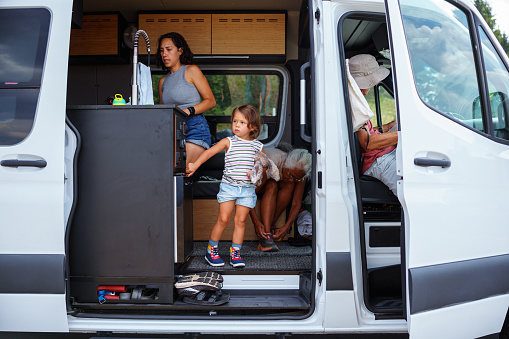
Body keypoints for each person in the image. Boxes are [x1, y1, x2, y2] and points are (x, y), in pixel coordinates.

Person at [187, 105, 263, 268]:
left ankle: (235, 253)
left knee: (241, 220)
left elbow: (261, 167)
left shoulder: (258, 146)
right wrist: (194, 165)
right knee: (223, 219)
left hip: (247, 189)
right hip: (229, 187)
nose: (236, 125)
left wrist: (255, 173)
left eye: (242, 122)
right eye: (235, 121)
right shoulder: (228, 141)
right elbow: (208, 153)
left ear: (253, 127)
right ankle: (211, 250)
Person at [157, 32, 216, 165]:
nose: (164, 54)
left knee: (179, 168)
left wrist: (187, 111)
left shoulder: (191, 70)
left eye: (168, 49)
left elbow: (211, 101)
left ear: (180, 51)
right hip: (173, 129)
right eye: (161, 51)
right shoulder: (162, 81)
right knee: (164, 170)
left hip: (195, 127)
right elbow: (162, 112)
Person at [350, 54, 398, 196]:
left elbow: (364, 132)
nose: (371, 87)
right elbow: (367, 143)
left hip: (382, 153)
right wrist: (403, 134)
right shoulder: (354, 105)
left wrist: (390, 126)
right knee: (415, 188)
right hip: (376, 161)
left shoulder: (356, 99)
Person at [249, 146, 312, 251]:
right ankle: (267, 234)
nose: (293, 180)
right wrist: (255, 222)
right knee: (272, 186)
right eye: (291, 175)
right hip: (254, 183)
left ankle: (266, 231)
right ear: (286, 164)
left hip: (273, 181)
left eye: (297, 178)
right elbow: (248, 194)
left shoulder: (300, 171)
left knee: (289, 186)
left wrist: (286, 227)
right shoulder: (270, 162)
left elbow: (296, 203)